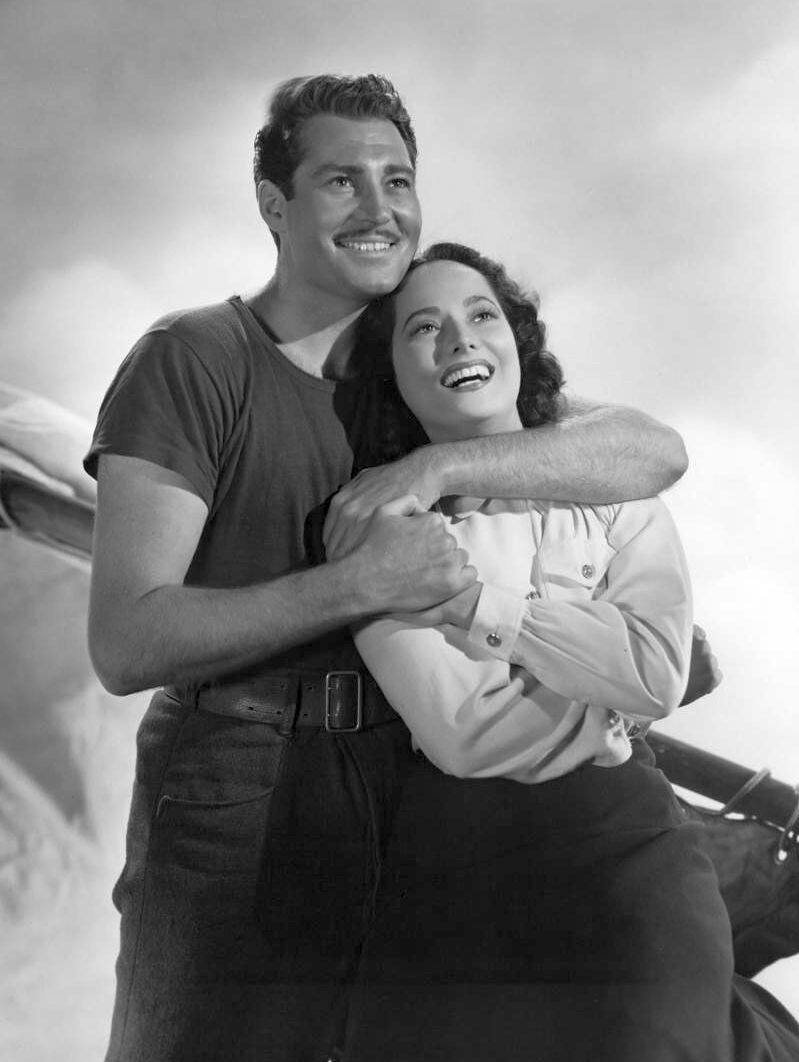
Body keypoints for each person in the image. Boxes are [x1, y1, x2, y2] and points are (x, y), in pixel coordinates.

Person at [86, 75, 692, 1062]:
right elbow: (126, 639)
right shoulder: (193, 357)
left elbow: (650, 452)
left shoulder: (424, 363)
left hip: (407, 783)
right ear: (273, 204)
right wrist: (354, 586)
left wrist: (438, 464)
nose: (379, 210)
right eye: (341, 181)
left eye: (397, 180)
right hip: (240, 777)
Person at [337, 243, 799, 1061]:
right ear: (391, 371)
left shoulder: (618, 490)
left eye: (481, 315)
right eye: (423, 328)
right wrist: (601, 694)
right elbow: (466, 734)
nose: (460, 340)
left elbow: (654, 675)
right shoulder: (374, 523)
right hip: (453, 867)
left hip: (629, 844)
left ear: (515, 339)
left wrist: (475, 608)